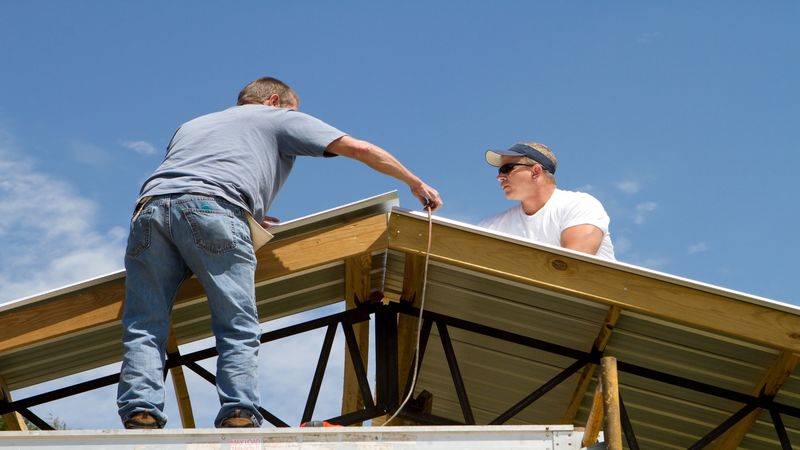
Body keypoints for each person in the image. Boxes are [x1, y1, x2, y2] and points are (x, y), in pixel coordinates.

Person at [117, 77, 442, 429]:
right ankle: (238, 412)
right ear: (274, 101)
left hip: (149, 212)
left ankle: (141, 409)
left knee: (145, 323)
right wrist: (414, 181)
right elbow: (360, 149)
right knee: (235, 320)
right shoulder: (277, 117)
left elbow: (196, 178)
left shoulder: (192, 125)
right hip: (215, 209)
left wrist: (249, 216)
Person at [479, 141, 615, 260]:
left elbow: (572, 268)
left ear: (536, 171)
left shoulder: (579, 205)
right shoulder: (491, 226)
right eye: (499, 171)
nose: (500, 177)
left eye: (507, 169)